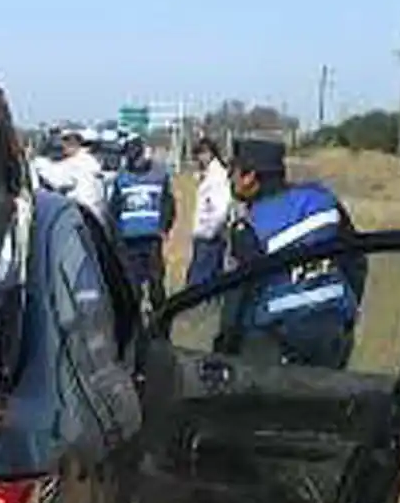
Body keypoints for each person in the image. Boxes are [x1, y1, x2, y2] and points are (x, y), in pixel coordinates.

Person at [218, 138, 367, 369]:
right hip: (333, 334)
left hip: (276, 342)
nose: (229, 178)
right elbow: (356, 261)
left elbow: (239, 295)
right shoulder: (323, 201)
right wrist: (347, 313)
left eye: (232, 172)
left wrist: (224, 346)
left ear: (250, 177)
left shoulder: (248, 227)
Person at [107, 136, 176, 307]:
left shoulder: (159, 175)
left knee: (156, 284)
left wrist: (164, 227)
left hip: (151, 238)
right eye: (130, 157)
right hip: (128, 240)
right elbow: (113, 210)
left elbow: (169, 204)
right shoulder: (121, 178)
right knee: (132, 286)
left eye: (136, 156)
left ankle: (160, 322)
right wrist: (116, 236)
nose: (134, 161)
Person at [185, 137, 232, 288]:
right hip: (206, 234)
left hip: (210, 236)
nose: (199, 158)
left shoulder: (217, 176)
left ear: (210, 153)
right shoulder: (209, 173)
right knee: (212, 281)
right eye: (197, 154)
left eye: (202, 153)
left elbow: (221, 208)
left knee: (198, 283)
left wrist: (209, 232)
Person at [32, 128, 108, 218]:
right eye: (65, 140)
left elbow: (58, 181)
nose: (66, 145)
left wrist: (37, 164)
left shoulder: (81, 161)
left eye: (71, 141)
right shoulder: (83, 160)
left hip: (84, 212)